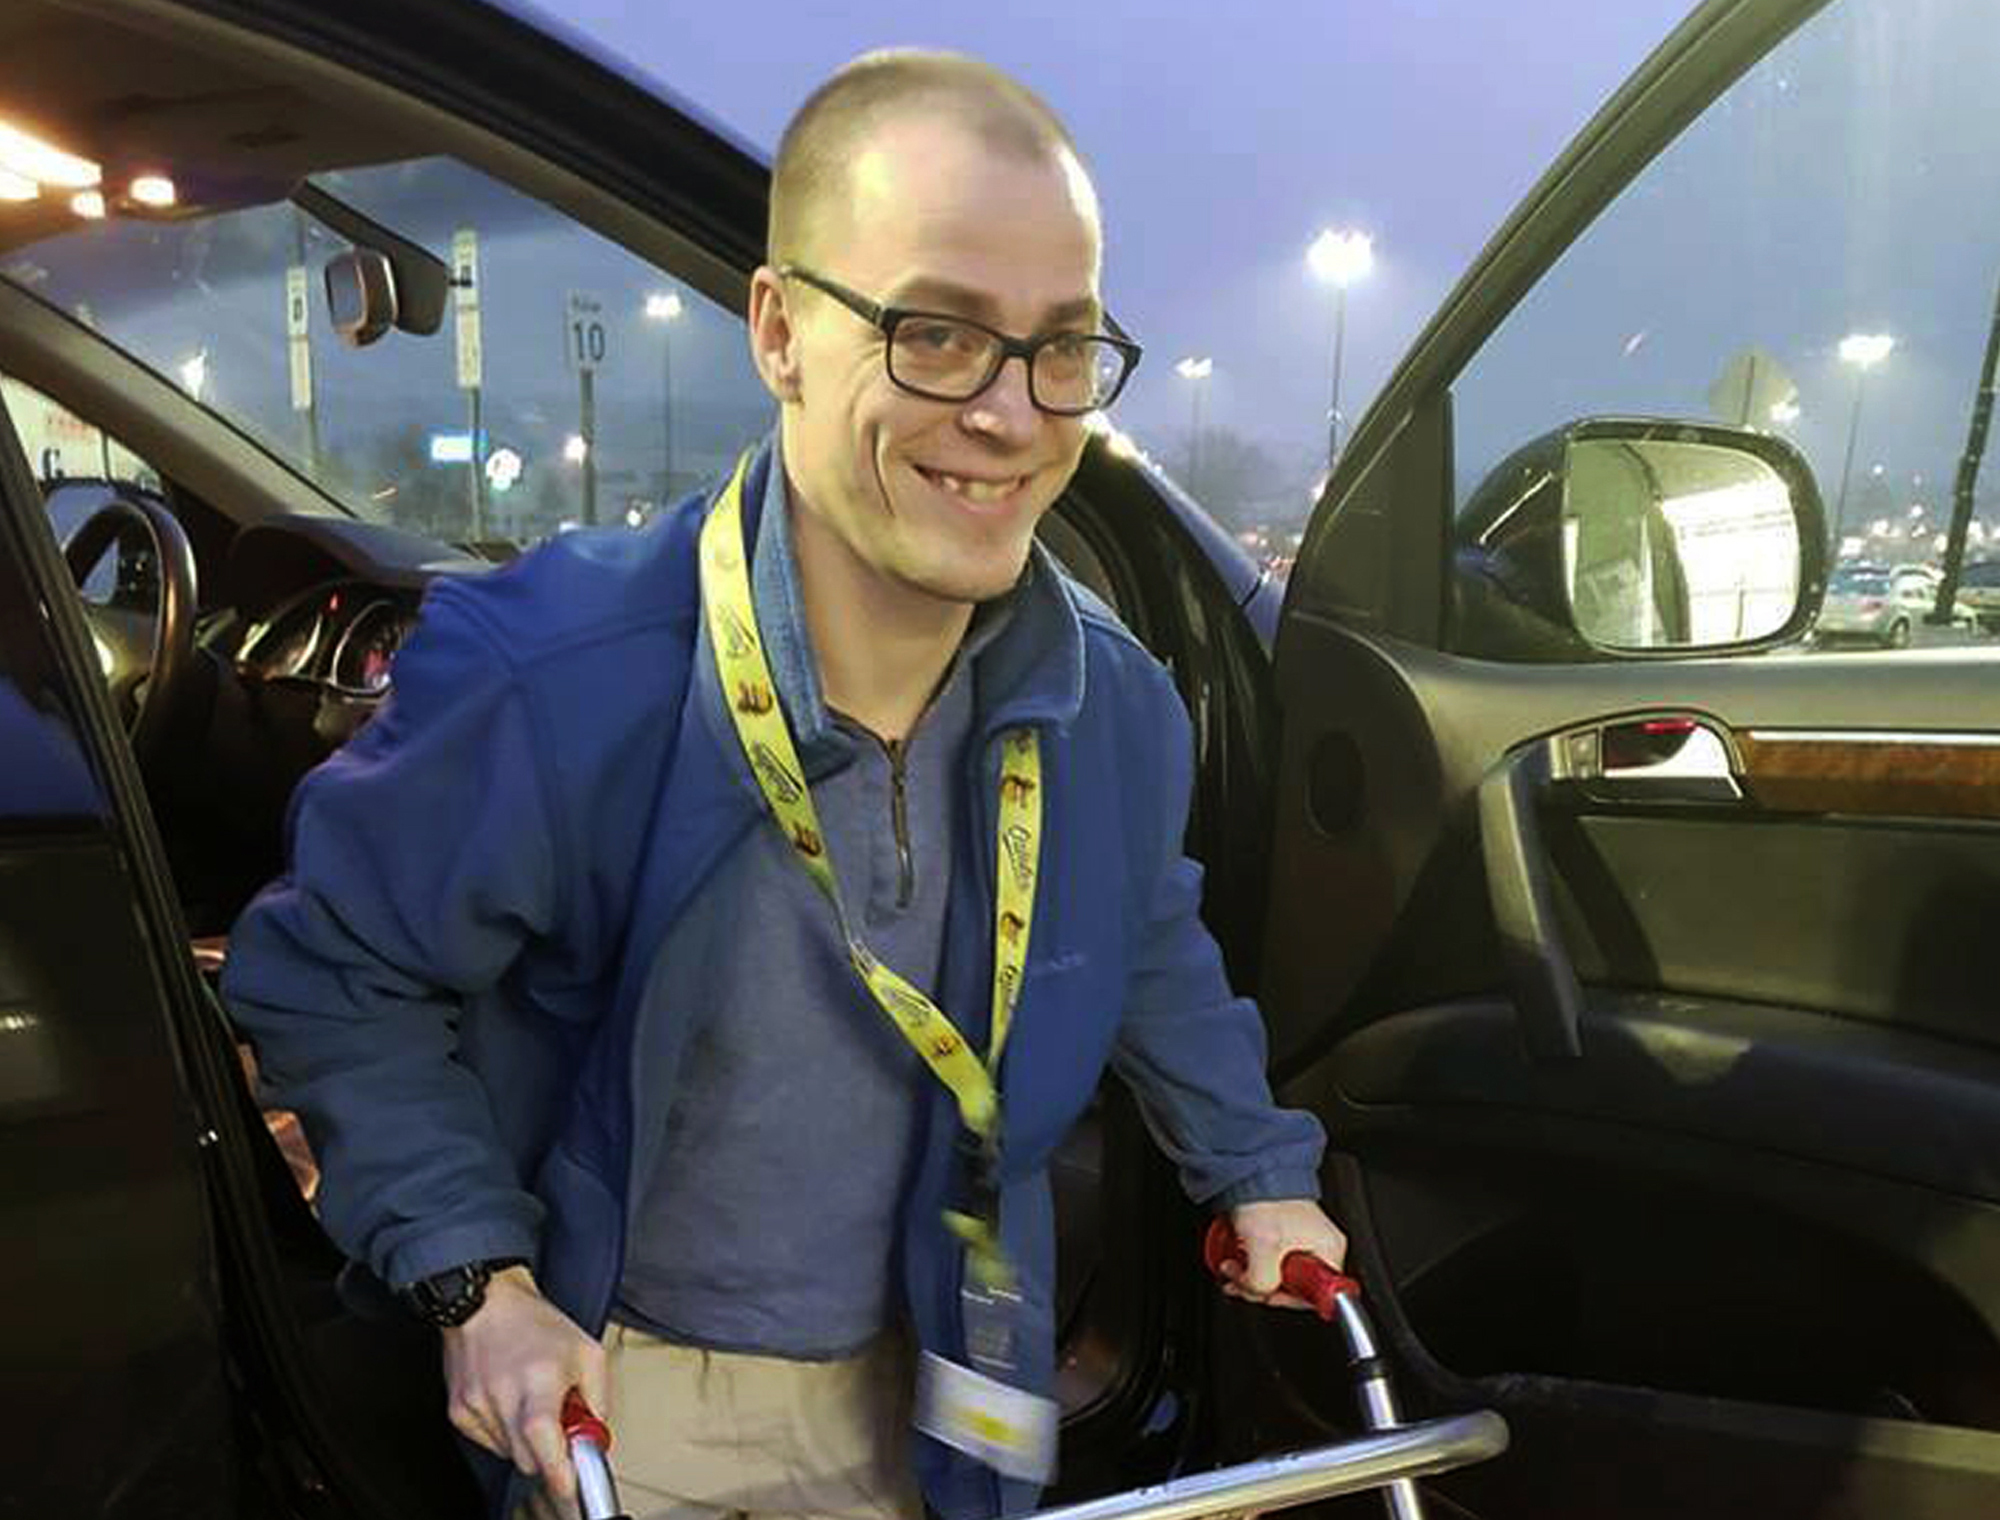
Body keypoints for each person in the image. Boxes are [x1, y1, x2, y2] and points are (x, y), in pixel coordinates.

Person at [223, 48, 1347, 1520]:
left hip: (949, 1376)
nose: (1011, 414)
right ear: (779, 332)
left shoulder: (1113, 704)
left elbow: (1139, 937)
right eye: (936, 334)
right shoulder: (557, 670)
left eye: (1061, 347)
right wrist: (476, 1283)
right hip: (626, 1389)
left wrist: (1256, 1171)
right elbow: (332, 977)